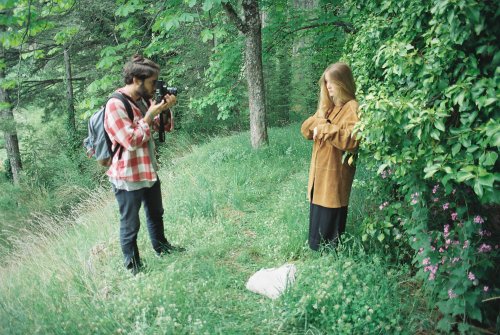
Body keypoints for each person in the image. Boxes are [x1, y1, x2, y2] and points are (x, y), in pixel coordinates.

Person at [104, 55, 184, 274]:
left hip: (148, 169)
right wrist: (149, 115)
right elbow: (130, 140)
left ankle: (162, 247)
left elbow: (162, 128)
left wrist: (164, 109)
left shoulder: (145, 99)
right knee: (131, 225)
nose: (153, 88)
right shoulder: (115, 105)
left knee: (156, 213)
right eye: (151, 82)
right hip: (127, 175)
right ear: (137, 79)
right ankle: (134, 267)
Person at [300, 62, 360, 251]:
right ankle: (317, 251)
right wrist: (321, 120)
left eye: (331, 82)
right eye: (326, 83)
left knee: (330, 217)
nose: (328, 87)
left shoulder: (352, 107)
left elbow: (352, 141)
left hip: (335, 175)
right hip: (320, 176)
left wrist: (326, 128)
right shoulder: (329, 108)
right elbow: (305, 129)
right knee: (318, 214)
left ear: (342, 83)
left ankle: (330, 255)